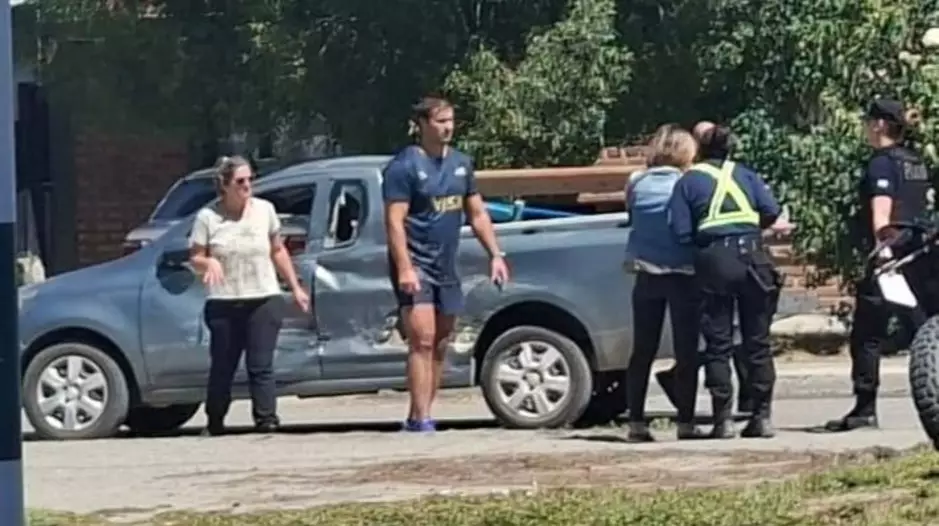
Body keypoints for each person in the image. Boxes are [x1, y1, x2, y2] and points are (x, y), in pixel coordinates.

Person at [383, 95, 510, 433]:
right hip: (416, 263)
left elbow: (477, 214)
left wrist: (495, 254)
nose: (448, 127)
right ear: (422, 125)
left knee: (441, 342)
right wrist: (405, 267)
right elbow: (394, 221)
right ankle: (420, 417)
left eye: (451, 121)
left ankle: (424, 410)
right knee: (422, 340)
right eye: (440, 121)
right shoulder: (403, 167)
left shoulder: (461, 164)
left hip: (447, 264)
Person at [668, 124, 788, 439]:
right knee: (758, 342)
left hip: (715, 261)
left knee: (718, 343)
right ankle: (762, 417)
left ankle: (723, 421)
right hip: (754, 258)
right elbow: (771, 211)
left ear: (699, 150)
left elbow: (680, 231)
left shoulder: (688, 181)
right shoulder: (745, 174)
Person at [826, 98, 932, 432]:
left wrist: (882, 256)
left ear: (880, 125)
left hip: (891, 256)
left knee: (867, 335)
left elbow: (881, 214)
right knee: (924, 329)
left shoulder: (882, 164)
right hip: (921, 254)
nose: (865, 128)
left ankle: (865, 408)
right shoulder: (915, 161)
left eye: (868, 122)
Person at [189, 155, 311, 436]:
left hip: (263, 297)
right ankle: (215, 420)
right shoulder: (208, 217)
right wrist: (208, 262)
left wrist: (295, 287)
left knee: (261, 364)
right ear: (225, 185)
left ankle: (266, 419)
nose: (247, 186)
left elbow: (277, 250)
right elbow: (195, 256)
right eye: (240, 181)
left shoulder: (264, 210)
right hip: (224, 301)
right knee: (224, 365)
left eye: (250, 180)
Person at [654, 121, 756, 416]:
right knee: (728, 337)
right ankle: (744, 405)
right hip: (725, 261)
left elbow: (682, 229)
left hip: (710, 261)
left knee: (726, 337)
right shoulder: (722, 176)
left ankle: (734, 406)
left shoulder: (694, 179)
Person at [622, 125, 707, 442]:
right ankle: (685, 422)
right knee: (686, 350)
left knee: (642, 350)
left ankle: (636, 422)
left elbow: (632, 216)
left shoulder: (636, 181)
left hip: (645, 270)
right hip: (683, 271)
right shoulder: (688, 182)